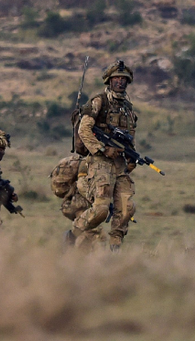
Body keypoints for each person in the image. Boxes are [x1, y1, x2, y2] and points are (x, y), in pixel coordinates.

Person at [74, 60, 139, 251]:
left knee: (127, 208)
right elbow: (84, 130)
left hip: (119, 165)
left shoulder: (128, 108)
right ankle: (73, 234)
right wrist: (103, 149)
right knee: (101, 209)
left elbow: (130, 137)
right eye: (116, 78)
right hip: (100, 162)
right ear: (109, 81)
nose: (120, 82)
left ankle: (115, 247)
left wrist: (131, 157)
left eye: (124, 79)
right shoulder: (99, 101)